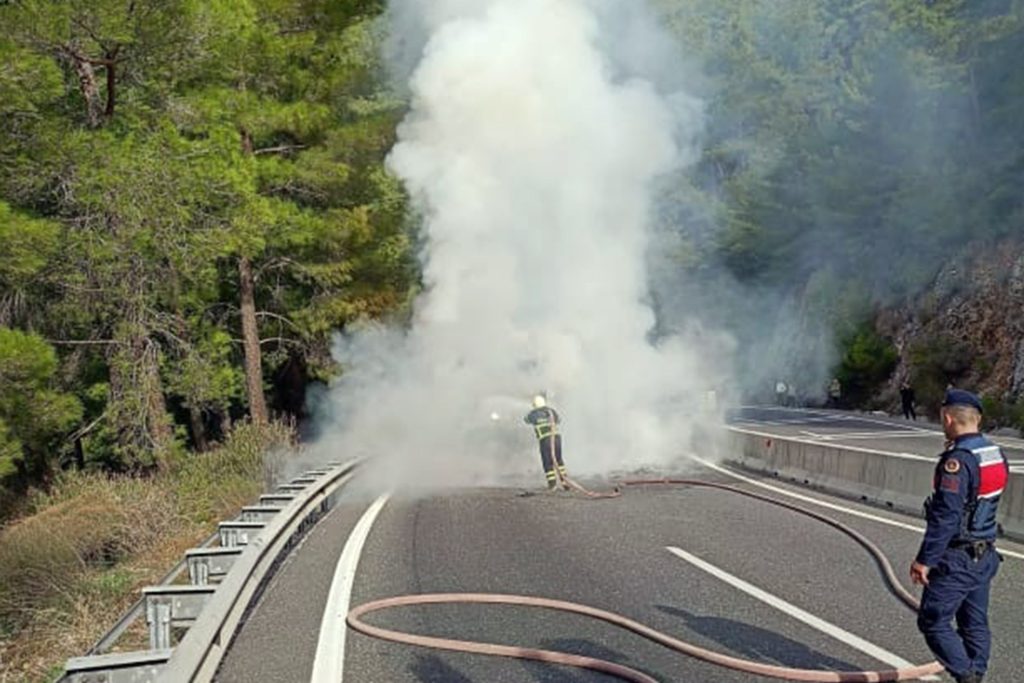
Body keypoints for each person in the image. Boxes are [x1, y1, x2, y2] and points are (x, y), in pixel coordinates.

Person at [910, 389, 1009, 683]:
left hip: (958, 558)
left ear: (949, 417)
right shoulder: (993, 453)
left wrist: (925, 560)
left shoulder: (958, 461)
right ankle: (977, 670)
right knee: (973, 621)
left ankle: (968, 677)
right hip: (985, 554)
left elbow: (947, 516)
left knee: (933, 620)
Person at [523, 394, 568, 490]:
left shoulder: (533, 413)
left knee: (547, 462)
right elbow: (559, 420)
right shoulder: (551, 411)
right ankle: (565, 482)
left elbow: (526, 420)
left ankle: (552, 484)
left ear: (534, 404)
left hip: (545, 440)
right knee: (559, 460)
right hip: (556, 439)